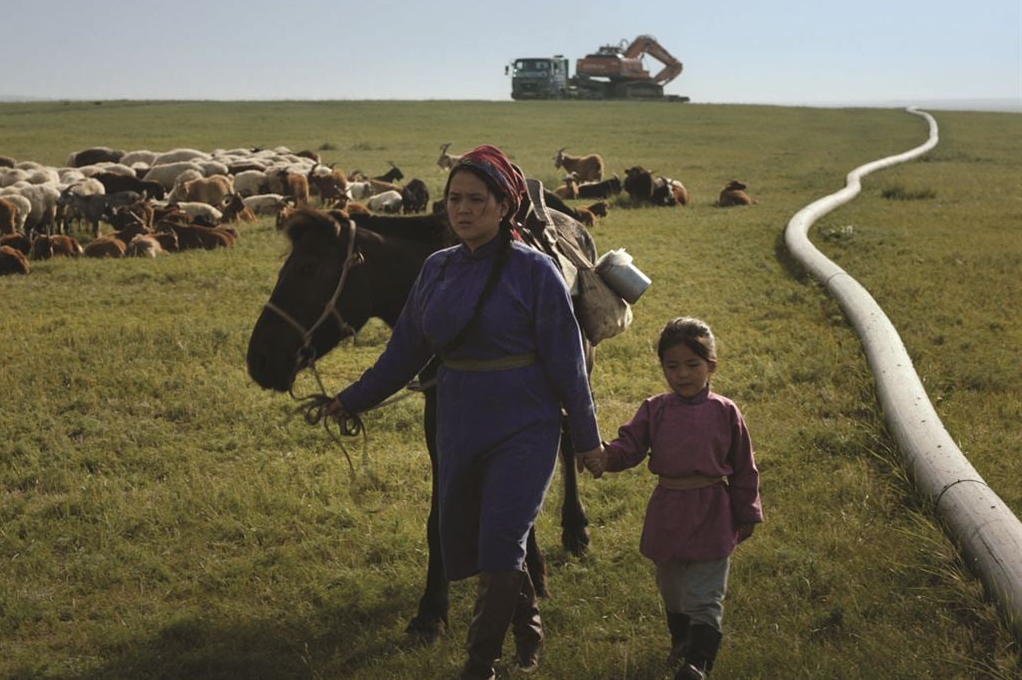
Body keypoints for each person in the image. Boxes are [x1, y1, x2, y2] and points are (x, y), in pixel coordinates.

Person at [324, 145, 603, 679]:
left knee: (500, 541)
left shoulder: (537, 271)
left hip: (526, 421)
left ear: (504, 206)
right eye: (455, 199)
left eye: (477, 199)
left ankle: (480, 665)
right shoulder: (437, 269)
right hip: (458, 422)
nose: (463, 209)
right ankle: (529, 623)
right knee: (476, 538)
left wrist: (587, 441)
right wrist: (351, 398)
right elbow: (403, 351)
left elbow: (569, 364)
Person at [581, 317, 762, 679]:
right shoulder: (656, 409)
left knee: (706, 595)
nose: (682, 375)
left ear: (711, 365)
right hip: (669, 510)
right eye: (672, 366)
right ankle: (681, 642)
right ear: (662, 367)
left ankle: (698, 663)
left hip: (712, 510)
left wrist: (747, 513)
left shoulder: (725, 411)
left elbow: (744, 466)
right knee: (673, 590)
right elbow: (629, 447)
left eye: (693, 365)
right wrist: (605, 457)